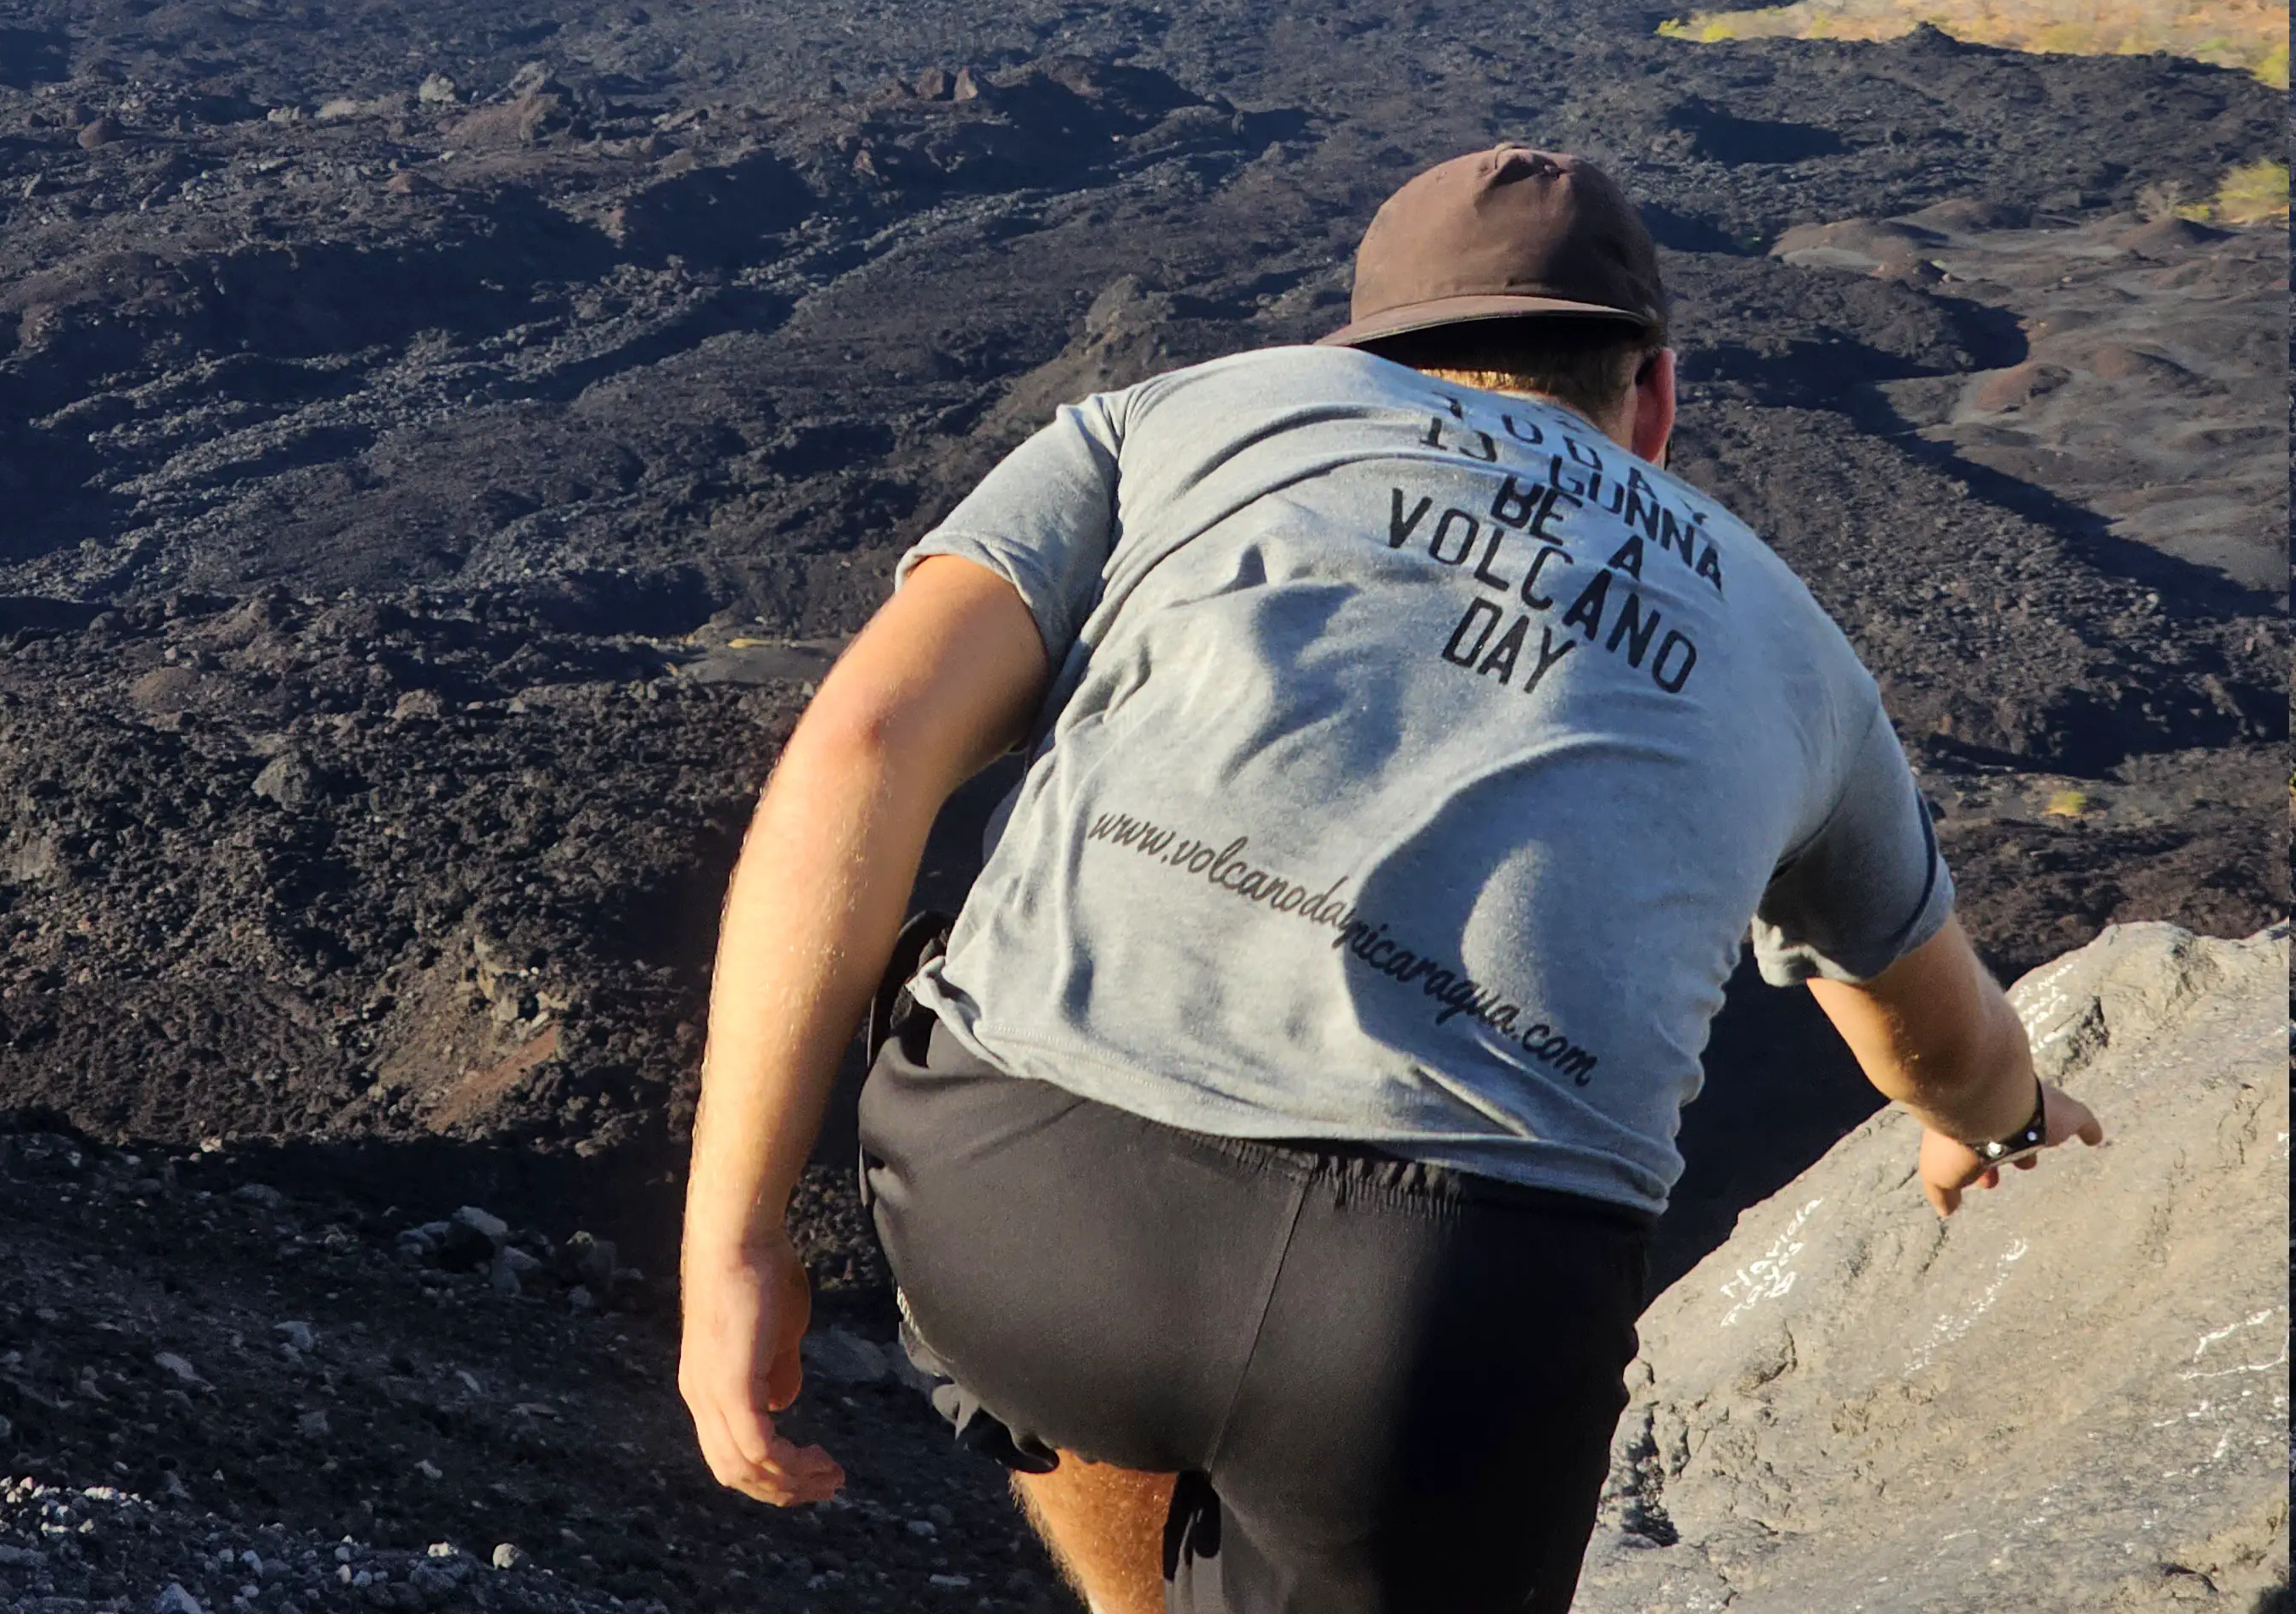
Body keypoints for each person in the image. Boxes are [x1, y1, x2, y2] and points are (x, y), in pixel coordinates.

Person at [678, 144, 2102, 1614]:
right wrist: (1988, 1122)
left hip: (1020, 1201)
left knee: (1065, 1258)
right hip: (1450, 1311)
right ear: (1655, 399)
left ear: (1362, 354)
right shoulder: (1795, 644)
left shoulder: (1179, 416)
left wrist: (732, 1235)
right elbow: (1935, 1031)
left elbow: (864, 743)